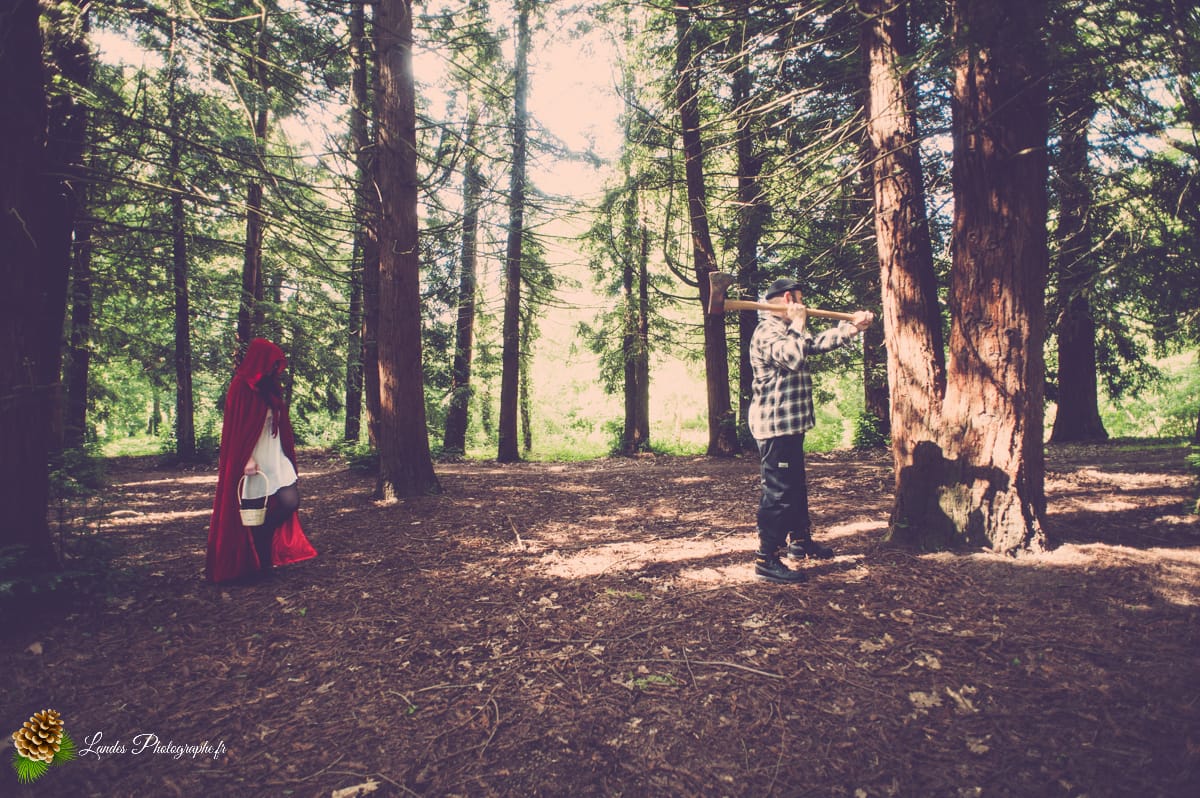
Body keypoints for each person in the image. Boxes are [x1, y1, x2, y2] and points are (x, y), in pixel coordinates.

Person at [748, 277, 874, 584]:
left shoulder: (786, 330)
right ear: (790, 298)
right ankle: (766, 559)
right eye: (800, 301)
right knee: (778, 493)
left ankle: (800, 541)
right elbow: (792, 357)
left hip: (792, 424)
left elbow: (812, 345)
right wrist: (799, 322)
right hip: (775, 426)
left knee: (796, 486)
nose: (803, 306)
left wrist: (853, 328)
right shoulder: (766, 330)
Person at [206, 338, 316, 583]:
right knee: (253, 512)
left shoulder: (269, 386)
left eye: (277, 364)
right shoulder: (240, 386)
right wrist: (247, 458)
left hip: (275, 455)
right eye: (271, 363)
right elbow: (238, 430)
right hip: (252, 460)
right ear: (259, 360)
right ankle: (260, 566)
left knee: (289, 502)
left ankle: (263, 543)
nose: (274, 368)